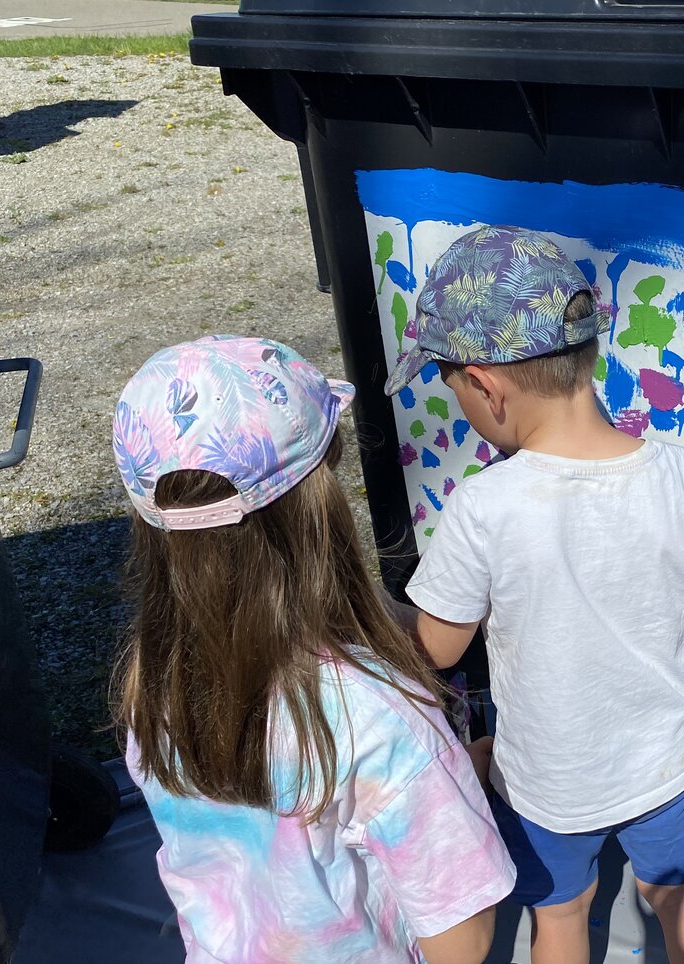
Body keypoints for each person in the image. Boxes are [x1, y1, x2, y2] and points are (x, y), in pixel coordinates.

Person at [386, 225, 684, 964]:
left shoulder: (483, 507)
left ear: (487, 387)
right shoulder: (682, 474)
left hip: (546, 782)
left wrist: (372, 619)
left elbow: (435, 649)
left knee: (562, 916)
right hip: (665, 764)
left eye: (453, 390)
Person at [111, 335, 514, 963]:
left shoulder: (153, 680)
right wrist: (465, 782)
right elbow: (463, 943)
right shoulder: (379, 713)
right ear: (318, 509)